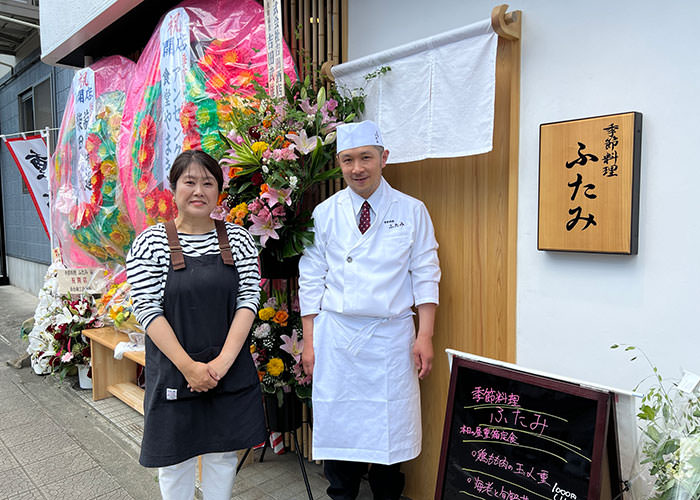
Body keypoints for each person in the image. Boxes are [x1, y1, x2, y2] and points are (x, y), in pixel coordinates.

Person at [298, 120, 441, 500]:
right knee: (340, 428)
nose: (357, 168)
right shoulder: (325, 213)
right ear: (339, 163)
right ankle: (340, 495)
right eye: (348, 160)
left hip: (390, 337)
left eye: (366, 158)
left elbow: (426, 272)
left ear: (383, 158)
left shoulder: (412, 210)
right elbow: (310, 278)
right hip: (338, 337)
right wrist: (308, 342)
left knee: (389, 434)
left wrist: (424, 335)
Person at [126, 150, 266, 500]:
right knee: (174, 461)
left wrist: (220, 365)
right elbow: (147, 308)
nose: (198, 190)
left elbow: (249, 301)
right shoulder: (150, 243)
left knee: (223, 454)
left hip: (227, 367)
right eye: (189, 182)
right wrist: (189, 367)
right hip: (175, 370)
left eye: (208, 182)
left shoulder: (239, 239)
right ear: (173, 189)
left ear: (219, 190)